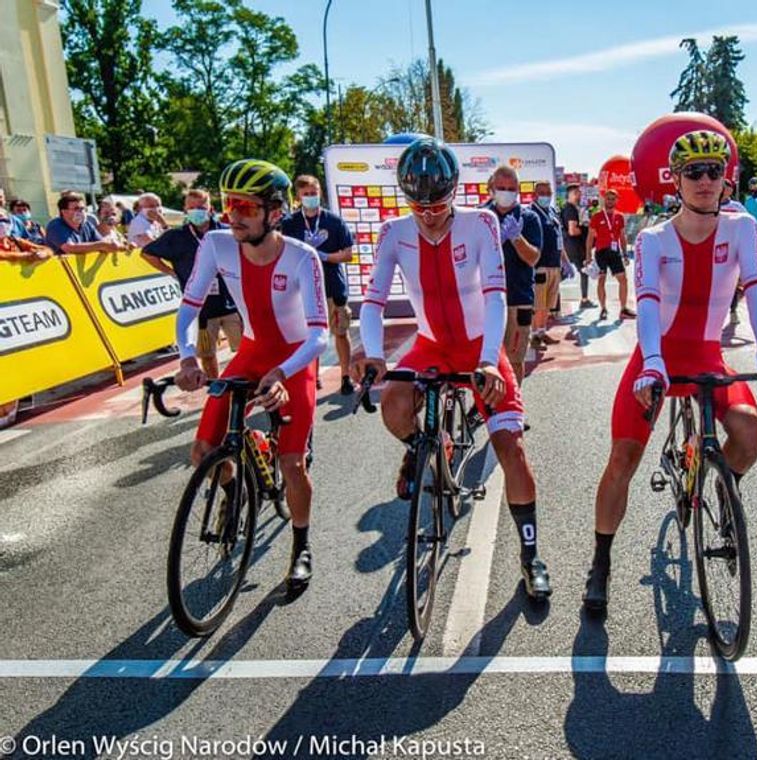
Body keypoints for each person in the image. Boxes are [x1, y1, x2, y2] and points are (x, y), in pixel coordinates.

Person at [582, 129, 757, 612]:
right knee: (622, 461)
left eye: (714, 171)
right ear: (675, 179)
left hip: (705, 354)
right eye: (693, 172)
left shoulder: (742, 230)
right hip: (659, 356)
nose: (704, 181)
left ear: (726, 179)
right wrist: (652, 364)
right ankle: (600, 562)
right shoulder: (654, 238)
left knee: (751, 434)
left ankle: (717, 478)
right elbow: (648, 304)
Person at [352, 137, 552, 600]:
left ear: (454, 192)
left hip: (478, 345)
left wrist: (489, 360)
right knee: (394, 406)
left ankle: (532, 555)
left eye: (438, 203)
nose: (427, 213)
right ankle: (420, 446)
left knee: (511, 447)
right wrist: (376, 353)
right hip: (431, 343)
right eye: (417, 204)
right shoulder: (393, 232)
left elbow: (495, 295)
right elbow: (374, 299)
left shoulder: (480, 223)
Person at [173, 159, 328, 592]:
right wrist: (188, 357)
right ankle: (233, 489)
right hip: (254, 350)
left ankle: (301, 548)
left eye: (245, 207)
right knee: (204, 450)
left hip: (294, 358)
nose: (233, 215)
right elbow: (189, 308)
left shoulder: (303, 257)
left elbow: (319, 336)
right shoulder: (217, 244)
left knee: (292, 463)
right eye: (229, 205)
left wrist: (284, 372)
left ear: (274, 212)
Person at [143, 188, 242, 379]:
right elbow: (147, 253)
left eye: (201, 207)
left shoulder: (225, 232)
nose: (197, 211)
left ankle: (246, 384)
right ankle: (215, 386)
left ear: (210, 208)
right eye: (192, 207)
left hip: (232, 303)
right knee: (207, 354)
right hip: (201, 309)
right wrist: (171, 272)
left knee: (245, 348)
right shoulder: (177, 236)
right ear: (185, 210)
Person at [281, 175, 356, 395]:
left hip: (333, 287)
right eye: (306, 194)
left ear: (320, 193)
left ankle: (346, 376)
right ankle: (312, 377)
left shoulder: (334, 221)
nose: (311, 197)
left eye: (314, 193)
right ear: (298, 196)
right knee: (308, 336)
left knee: (340, 332)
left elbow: (348, 255)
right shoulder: (289, 224)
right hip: (303, 290)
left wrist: (321, 256)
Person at [483, 166, 542, 384]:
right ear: (491, 188)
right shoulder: (480, 216)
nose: (506, 192)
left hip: (518, 300)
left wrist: (516, 238)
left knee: (515, 359)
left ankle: (512, 408)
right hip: (485, 301)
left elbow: (533, 258)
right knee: (486, 362)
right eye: (501, 188)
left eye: (511, 188)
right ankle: (488, 407)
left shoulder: (529, 218)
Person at [585, 189, 634, 321]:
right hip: (601, 252)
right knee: (602, 280)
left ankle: (623, 309)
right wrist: (588, 255)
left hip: (614, 252)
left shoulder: (619, 217)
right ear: (603, 200)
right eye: (608, 198)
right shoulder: (597, 216)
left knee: (623, 280)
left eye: (613, 199)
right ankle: (603, 308)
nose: (610, 201)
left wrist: (625, 254)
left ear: (617, 200)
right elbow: (590, 238)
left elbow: (622, 237)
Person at [529, 181, 563, 349]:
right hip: (540, 265)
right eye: (542, 193)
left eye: (548, 193)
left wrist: (565, 261)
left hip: (554, 263)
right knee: (539, 303)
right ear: (535, 194)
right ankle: (535, 335)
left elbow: (559, 238)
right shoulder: (530, 213)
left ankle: (542, 331)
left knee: (549, 303)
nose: (546, 196)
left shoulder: (552, 211)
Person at [45, 192, 129, 255]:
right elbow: (70, 248)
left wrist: (124, 247)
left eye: (82, 208)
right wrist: (101, 245)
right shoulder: (55, 226)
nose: (81, 212)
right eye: (76, 209)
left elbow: (102, 243)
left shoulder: (87, 225)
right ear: (64, 212)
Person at [560, 184, 593, 308]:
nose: (580, 195)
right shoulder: (571, 209)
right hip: (574, 247)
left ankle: (584, 300)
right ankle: (584, 300)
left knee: (568, 271)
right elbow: (572, 230)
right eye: (578, 193)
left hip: (570, 245)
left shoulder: (569, 208)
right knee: (582, 271)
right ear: (572, 194)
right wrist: (585, 230)